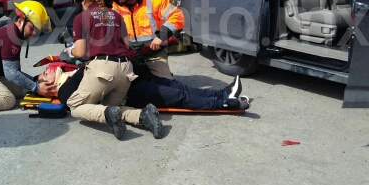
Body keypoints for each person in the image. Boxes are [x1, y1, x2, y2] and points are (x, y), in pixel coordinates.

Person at [64, 0, 162, 139]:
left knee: (74, 105)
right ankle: (142, 116)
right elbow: (126, 45)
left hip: (103, 70)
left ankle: (109, 114)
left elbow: (80, 52)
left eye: (79, 0)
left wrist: (70, 51)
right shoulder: (116, 15)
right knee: (110, 106)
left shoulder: (81, 18)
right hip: (126, 70)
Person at [38, 61, 251, 112]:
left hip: (130, 78)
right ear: (47, 84)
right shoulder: (64, 90)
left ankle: (223, 92)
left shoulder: (66, 71)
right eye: (43, 74)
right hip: (129, 94)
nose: (47, 69)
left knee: (176, 85)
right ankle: (224, 103)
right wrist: (84, 69)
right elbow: (73, 98)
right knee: (178, 97)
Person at [106, 0, 184, 79]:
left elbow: (178, 15)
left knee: (166, 86)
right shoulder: (116, 7)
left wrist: (161, 36)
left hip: (153, 54)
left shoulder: (153, 1)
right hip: (130, 55)